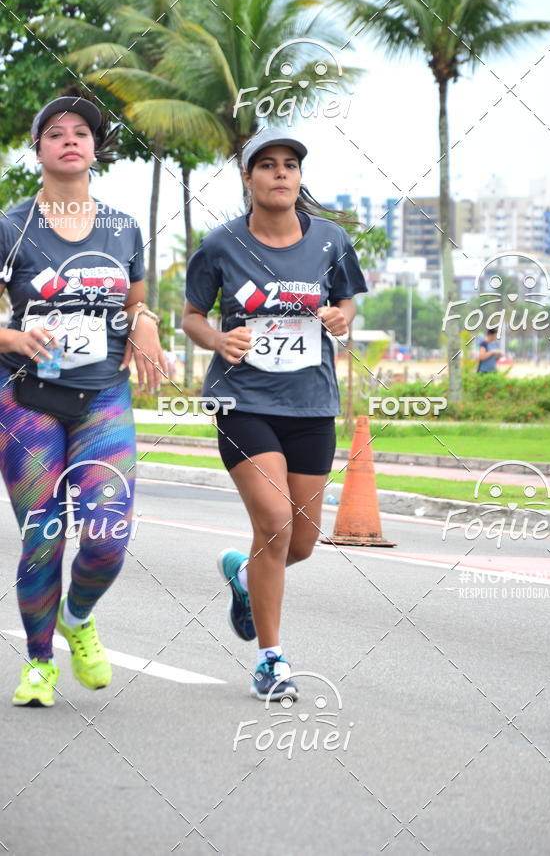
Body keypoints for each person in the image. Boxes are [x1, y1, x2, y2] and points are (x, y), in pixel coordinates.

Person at [183, 128, 367, 701]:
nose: (280, 173)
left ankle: (244, 577)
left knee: (301, 544)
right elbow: (191, 316)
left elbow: (348, 301)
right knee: (274, 523)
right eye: (267, 165)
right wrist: (217, 339)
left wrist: (341, 318)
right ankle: (271, 660)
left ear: (299, 177)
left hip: (312, 406)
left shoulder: (332, 242)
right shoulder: (221, 245)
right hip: (243, 403)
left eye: (290, 165)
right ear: (248, 178)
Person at [0, 89, 166, 707]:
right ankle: (39, 663)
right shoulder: (10, 227)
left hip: (102, 395)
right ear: (38, 148)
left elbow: (136, 301)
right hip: (25, 396)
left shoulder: (123, 227)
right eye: (56, 132)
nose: (71, 139)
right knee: (43, 534)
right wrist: (17, 334)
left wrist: (146, 322)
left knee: (105, 536)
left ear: (95, 150)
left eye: (82, 132)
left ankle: (78, 613)